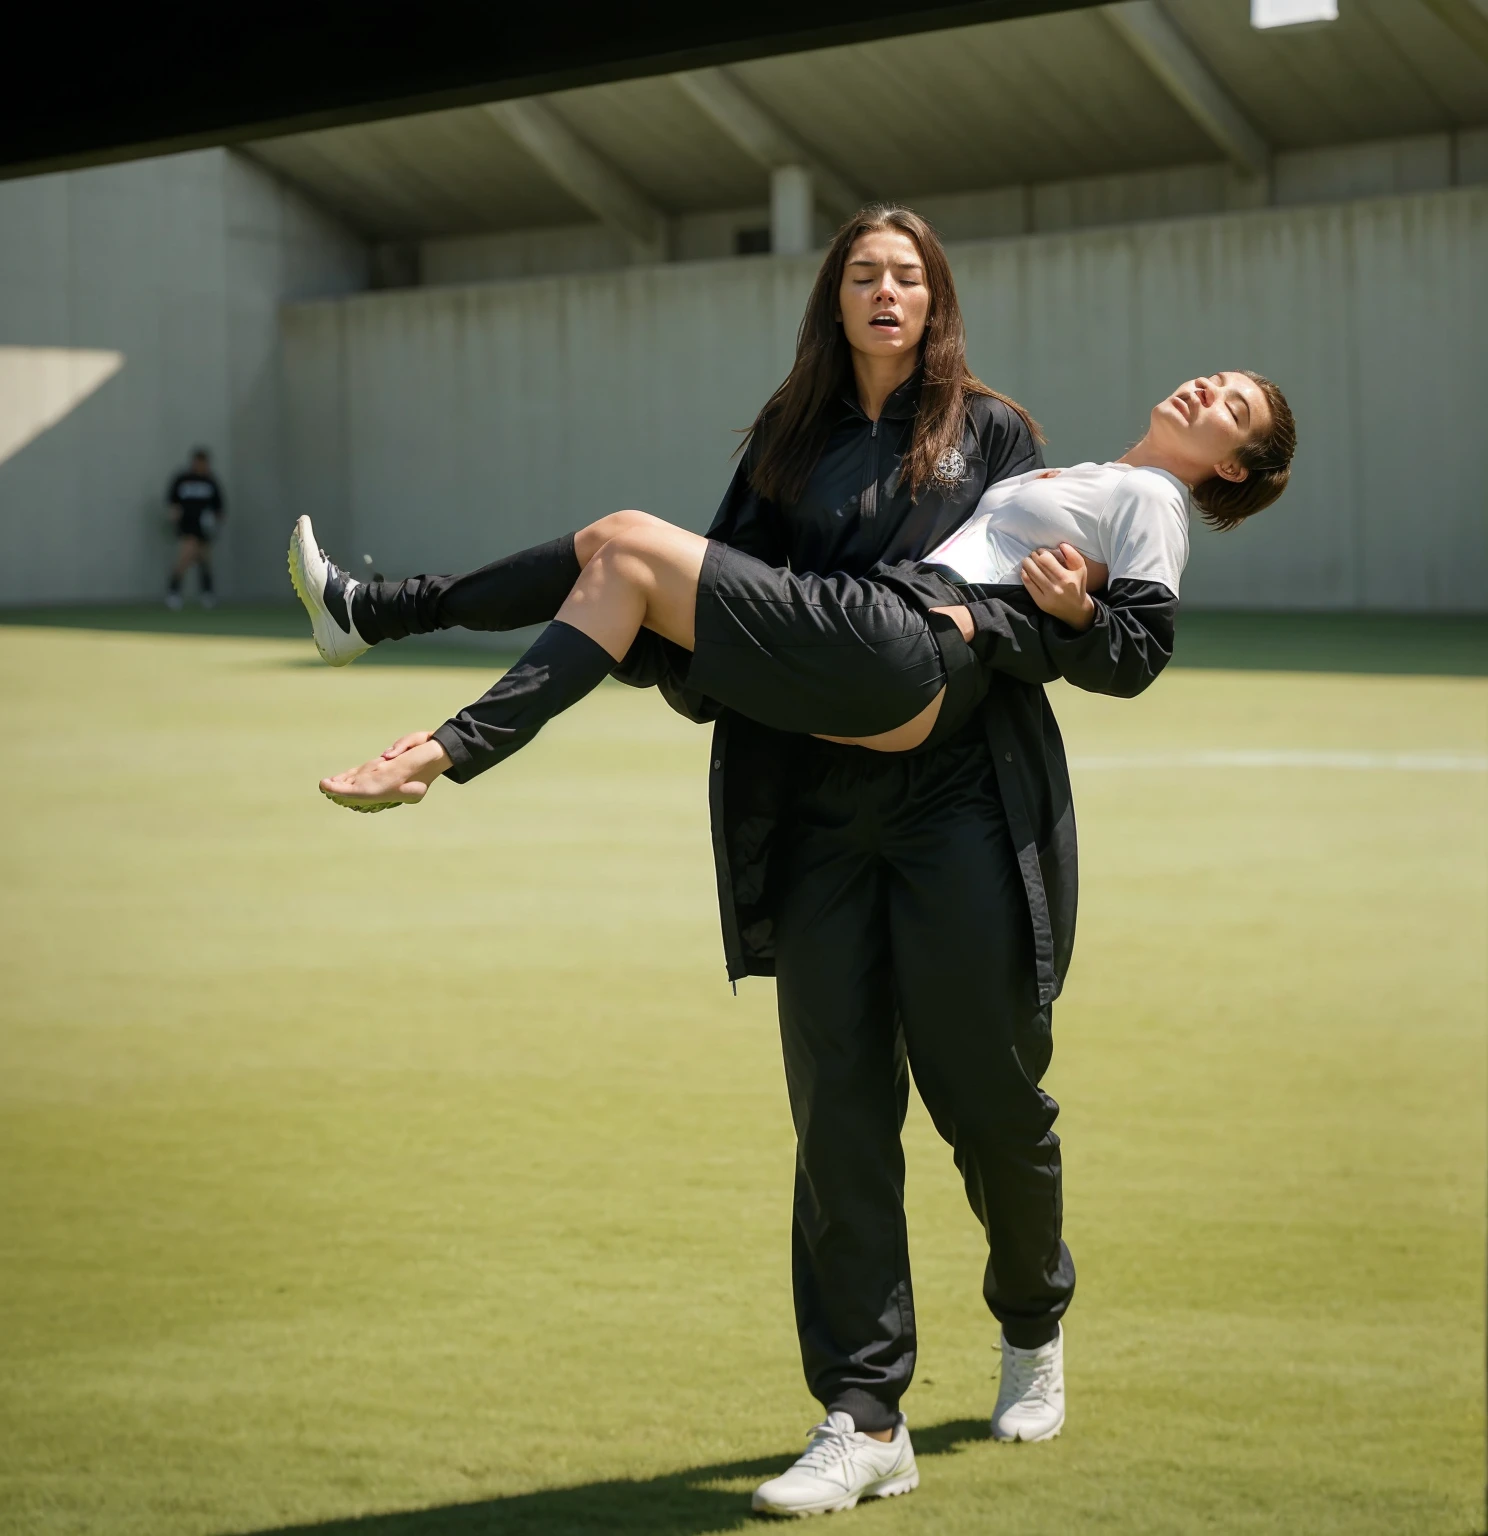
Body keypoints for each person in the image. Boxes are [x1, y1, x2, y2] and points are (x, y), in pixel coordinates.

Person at [291, 206, 1295, 1520]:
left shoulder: (1021, 445)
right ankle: (866, 1416)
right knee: (837, 1115)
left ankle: (1032, 1321)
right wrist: (711, 670)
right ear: (833, 296)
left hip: (949, 781)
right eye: (865, 273)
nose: (888, 292)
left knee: (989, 1105)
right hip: (819, 772)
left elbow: (1121, 649)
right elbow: (732, 585)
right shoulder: (794, 441)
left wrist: (1035, 617)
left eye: (910, 276)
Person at [296, 370, 1291, 803]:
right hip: (888, 655)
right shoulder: (1088, 477)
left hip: (907, 649)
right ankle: (377, 629)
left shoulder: (1153, 501)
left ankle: (412, 683)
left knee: (631, 543)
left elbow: (1139, 654)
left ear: (1233, 467)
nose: (1209, 388)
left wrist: (1076, 615)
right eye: (1217, 377)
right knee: (616, 561)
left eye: (1232, 405)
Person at [165, 447, 225, 609]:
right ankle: (173, 593)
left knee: (205, 559)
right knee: (185, 557)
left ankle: (207, 593)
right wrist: (174, 517)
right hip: (187, 527)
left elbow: (219, 508)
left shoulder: (210, 481)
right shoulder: (183, 479)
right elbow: (173, 503)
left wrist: (214, 523)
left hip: (204, 529)